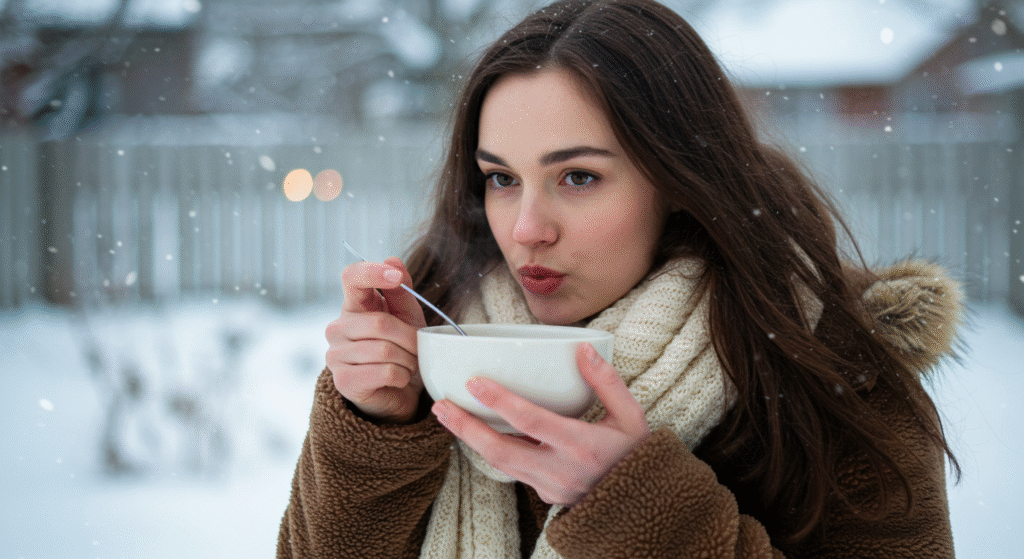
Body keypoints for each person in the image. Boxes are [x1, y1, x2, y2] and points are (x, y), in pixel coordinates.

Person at [277, 0, 963, 556]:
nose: (525, 228)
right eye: (501, 178)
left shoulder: (836, 373)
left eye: (578, 176)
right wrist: (372, 429)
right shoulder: (434, 349)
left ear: (680, 182)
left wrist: (641, 510)